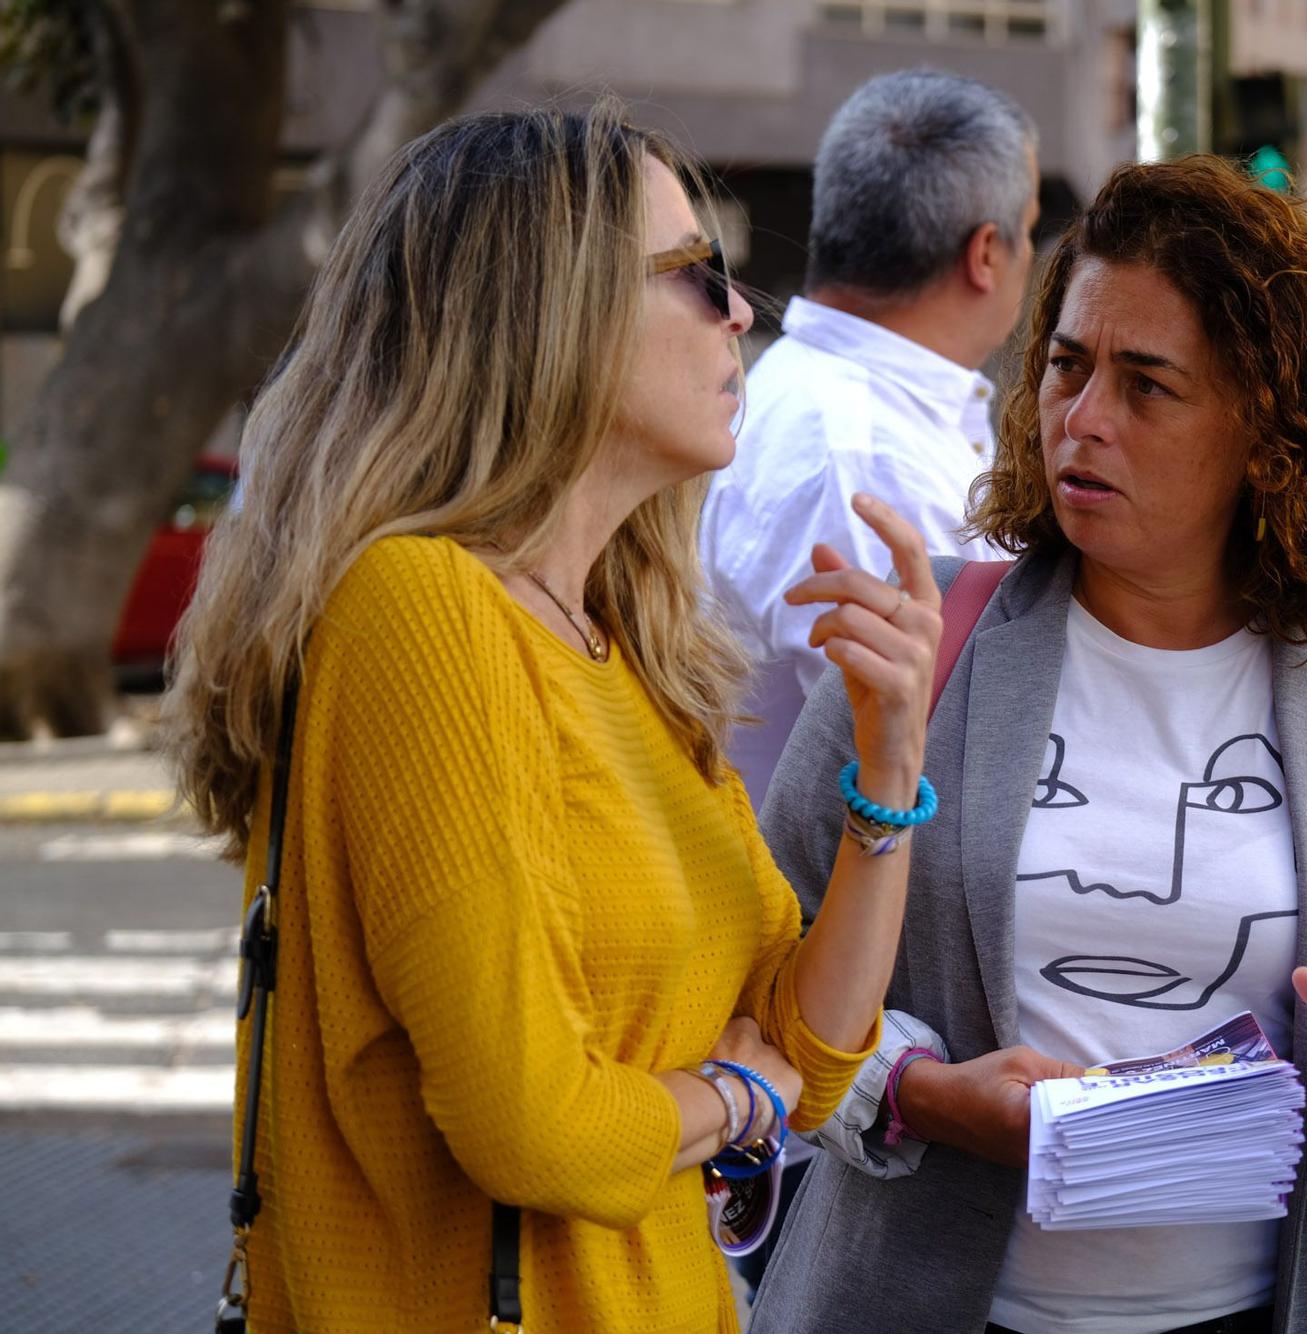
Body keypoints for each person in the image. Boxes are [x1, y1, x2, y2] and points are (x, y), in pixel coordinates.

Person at [160, 104, 942, 1331]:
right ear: (550, 309)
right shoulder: (422, 611)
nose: (742, 313)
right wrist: (734, 1094)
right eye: (698, 275)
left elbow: (815, 1048)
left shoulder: (624, 647)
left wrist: (889, 764)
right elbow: (535, 1126)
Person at [748, 157, 1307, 1334]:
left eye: (1146, 385)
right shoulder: (932, 639)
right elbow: (759, 962)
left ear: (1267, 432)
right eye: (1065, 365)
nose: (1082, 418)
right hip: (921, 1296)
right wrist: (913, 1095)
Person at [702, 68, 1040, 808]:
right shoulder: (856, 454)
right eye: (1032, 229)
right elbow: (936, 773)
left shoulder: (850, 415)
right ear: (986, 253)